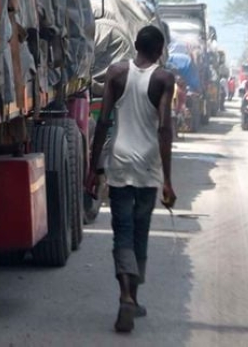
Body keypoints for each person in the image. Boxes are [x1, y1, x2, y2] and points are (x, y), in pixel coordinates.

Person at [86, 25, 176, 334]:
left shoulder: (116, 73)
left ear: (135, 45)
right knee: (140, 233)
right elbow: (165, 129)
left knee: (121, 232)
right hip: (148, 165)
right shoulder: (164, 79)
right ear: (160, 50)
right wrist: (168, 180)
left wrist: (93, 165)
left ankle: (124, 295)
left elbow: (104, 122)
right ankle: (133, 298)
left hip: (121, 162)